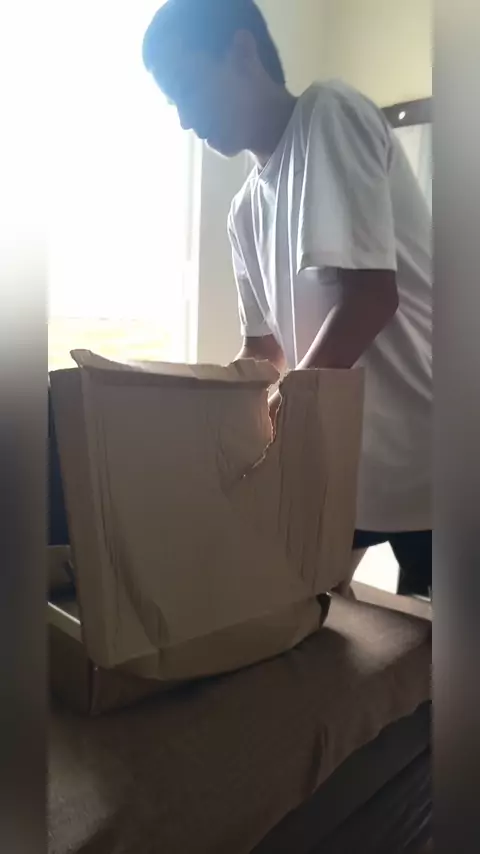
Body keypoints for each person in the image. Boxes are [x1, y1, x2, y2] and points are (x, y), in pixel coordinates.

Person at [142, 0, 432, 598]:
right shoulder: (244, 211)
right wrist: (205, 417)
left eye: (188, 87)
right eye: (174, 103)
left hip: (431, 443)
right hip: (348, 458)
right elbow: (263, 350)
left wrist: (285, 405)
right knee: (295, 606)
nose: (186, 119)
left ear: (242, 51)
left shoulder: (328, 112)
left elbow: (371, 298)